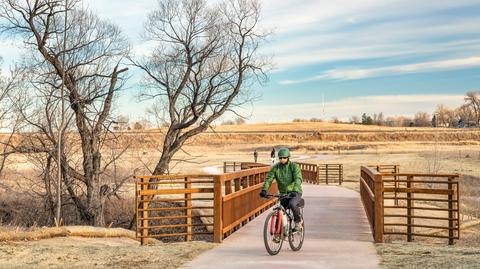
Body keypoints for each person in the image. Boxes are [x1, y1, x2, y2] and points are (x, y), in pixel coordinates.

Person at [259, 147, 304, 231]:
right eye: (280, 158)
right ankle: (278, 233)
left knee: (292, 204)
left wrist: (295, 189)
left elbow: (298, 178)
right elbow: (269, 179)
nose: (282, 159)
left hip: (295, 192)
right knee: (280, 211)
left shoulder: (294, 167)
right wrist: (264, 190)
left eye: (284, 157)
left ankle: (298, 221)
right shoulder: (276, 168)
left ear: (288, 158)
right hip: (283, 193)